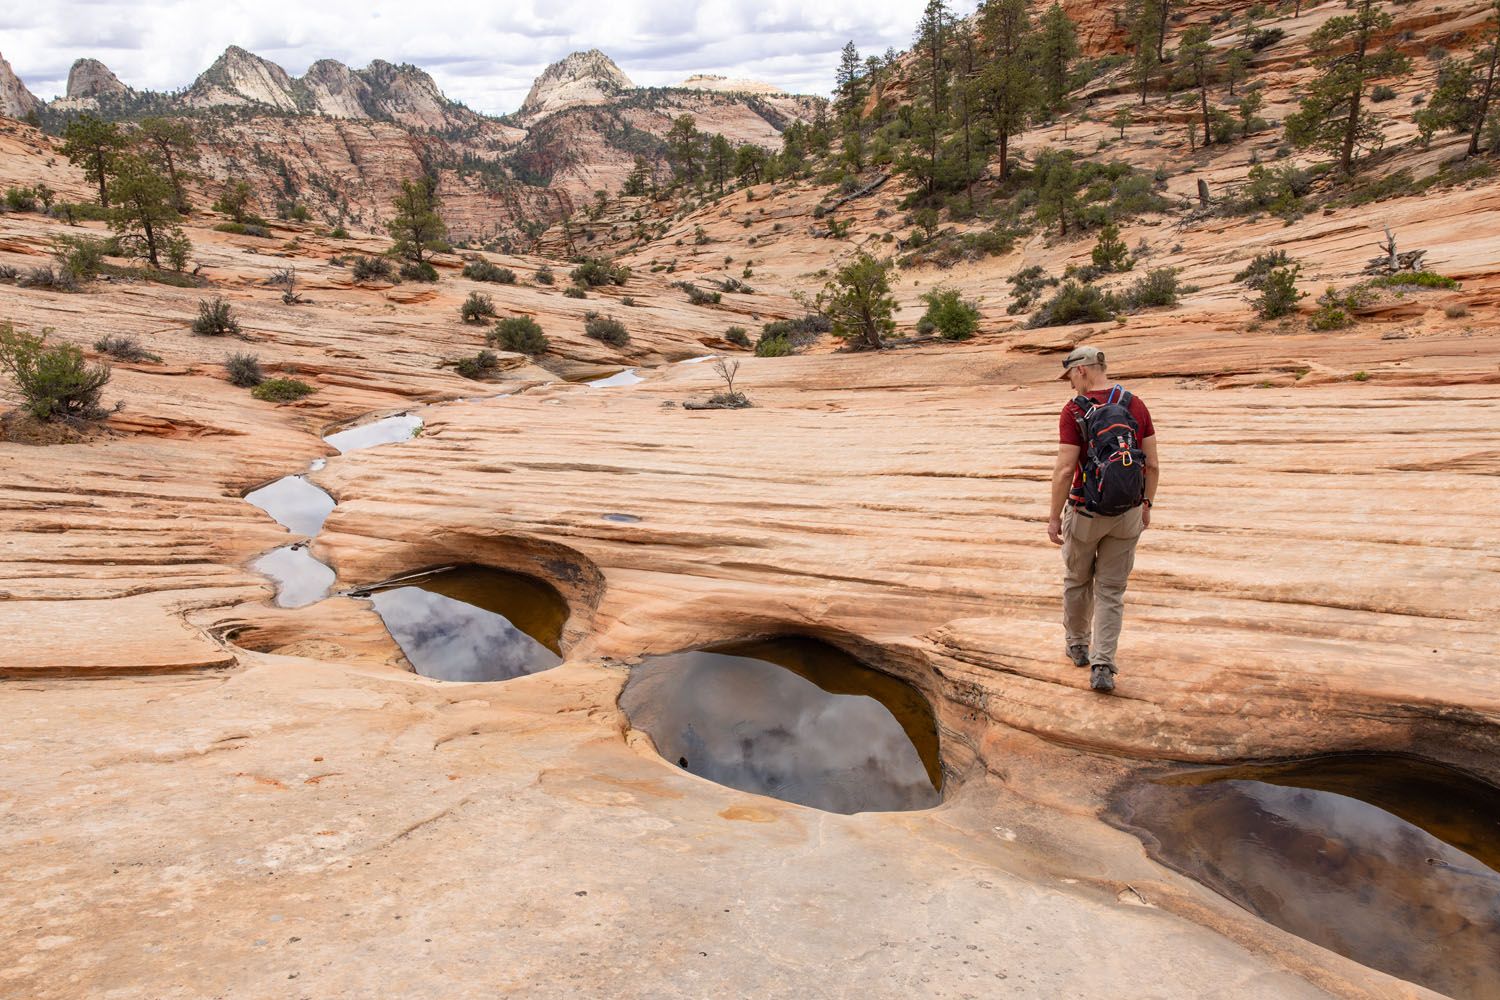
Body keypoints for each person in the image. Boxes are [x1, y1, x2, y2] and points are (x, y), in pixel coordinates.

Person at [1046, 347, 1159, 693]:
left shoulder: (1074, 411)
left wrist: (1053, 517)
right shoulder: (1134, 404)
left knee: (1077, 580)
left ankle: (1078, 645)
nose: (1070, 387)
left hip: (1085, 511)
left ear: (1081, 371)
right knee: (1111, 590)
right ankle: (1103, 666)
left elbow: (1066, 469)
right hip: (1126, 513)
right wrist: (1146, 503)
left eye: (1070, 378)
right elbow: (1152, 464)